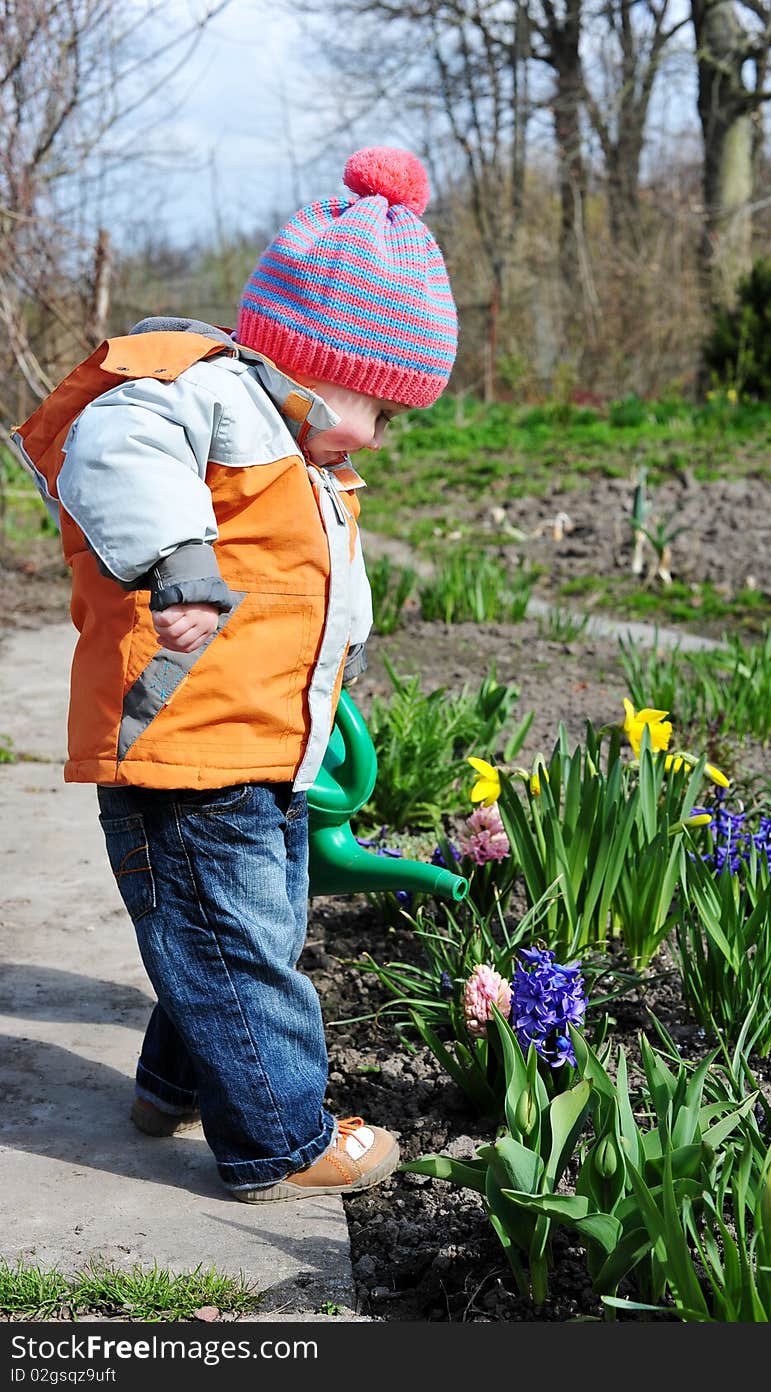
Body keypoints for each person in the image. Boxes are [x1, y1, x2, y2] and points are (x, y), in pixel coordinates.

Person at [14, 146, 458, 1202]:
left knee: (231, 931)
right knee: (244, 948)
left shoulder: (304, 458)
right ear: (321, 359)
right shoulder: (195, 392)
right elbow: (115, 452)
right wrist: (178, 564)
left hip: (255, 740)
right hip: (186, 742)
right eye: (381, 409)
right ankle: (280, 1140)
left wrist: (328, 693)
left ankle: (173, 1083)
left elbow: (304, 599)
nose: (381, 439)